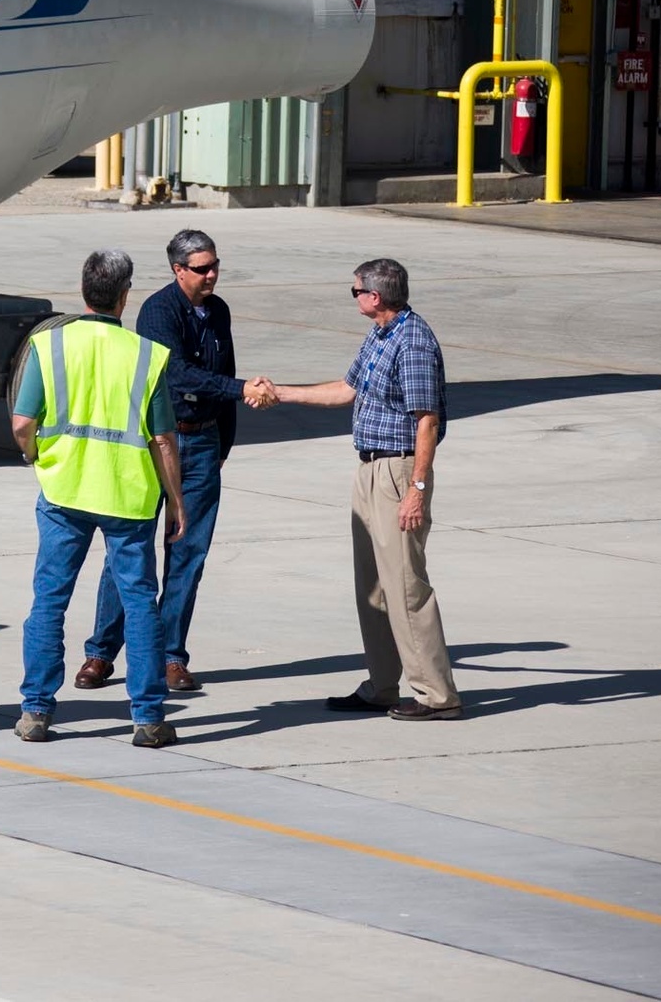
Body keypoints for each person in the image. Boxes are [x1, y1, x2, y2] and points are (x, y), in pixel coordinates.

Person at [77, 229, 273, 695]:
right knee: (132, 548)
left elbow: (220, 374)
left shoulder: (218, 311)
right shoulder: (158, 312)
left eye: (214, 266)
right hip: (156, 443)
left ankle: (171, 656)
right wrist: (242, 389)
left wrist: (224, 444)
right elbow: (176, 372)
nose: (211, 275)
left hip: (202, 444)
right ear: (177, 269)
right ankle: (101, 652)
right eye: (201, 268)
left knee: (188, 553)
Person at [265, 258, 461, 720]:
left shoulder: (412, 342)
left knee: (406, 586)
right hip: (369, 468)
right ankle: (382, 685)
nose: (353, 297)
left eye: (355, 291)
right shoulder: (381, 334)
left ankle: (436, 695)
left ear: (374, 297)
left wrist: (417, 487)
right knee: (372, 587)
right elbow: (346, 390)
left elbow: (426, 421)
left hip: (398, 472)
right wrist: (282, 393)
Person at [11, 248, 186, 748]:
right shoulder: (147, 355)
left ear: (84, 291)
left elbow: (23, 424)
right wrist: (176, 500)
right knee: (139, 604)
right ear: (124, 296)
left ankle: (37, 711)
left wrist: (37, 455)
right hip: (127, 498)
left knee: (49, 601)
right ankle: (149, 718)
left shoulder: (51, 347)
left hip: (64, 490)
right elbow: (164, 440)